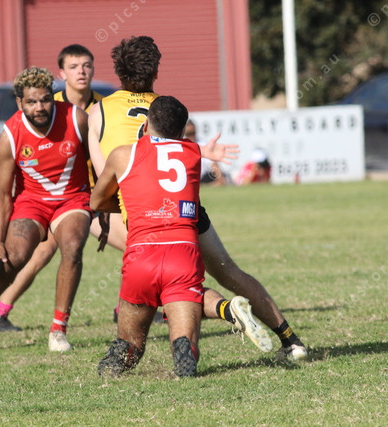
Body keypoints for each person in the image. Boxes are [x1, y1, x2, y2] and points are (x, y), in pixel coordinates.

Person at [88, 35, 307, 362]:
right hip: (185, 209)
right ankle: (291, 341)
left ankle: (214, 314)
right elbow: (180, 153)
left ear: (117, 71)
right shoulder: (166, 107)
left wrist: (105, 215)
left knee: (157, 281)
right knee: (229, 272)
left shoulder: (97, 113)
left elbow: (104, 179)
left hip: (143, 215)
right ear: (156, 72)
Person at [0, 45, 125, 333]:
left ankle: (121, 308)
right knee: (29, 254)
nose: (81, 71)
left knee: (108, 245)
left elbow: (111, 151)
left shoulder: (100, 109)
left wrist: (106, 201)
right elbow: (9, 154)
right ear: (62, 74)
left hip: (85, 196)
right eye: (74, 66)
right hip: (41, 199)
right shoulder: (42, 106)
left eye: (86, 65)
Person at [92, 96, 271, 377]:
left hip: (142, 253)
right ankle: (192, 341)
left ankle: (122, 356)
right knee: (186, 338)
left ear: (146, 124)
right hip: (183, 253)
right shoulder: (192, 152)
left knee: (129, 347)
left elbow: (96, 201)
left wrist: (134, 204)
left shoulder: (122, 154)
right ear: (182, 131)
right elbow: (185, 150)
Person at [0, 67, 92, 352]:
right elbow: (2, 194)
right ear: (20, 103)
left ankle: (58, 331)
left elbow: (100, 163)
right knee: (12, 258)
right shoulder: (11, 134)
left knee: (72, 246)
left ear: (52, 97)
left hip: (72, 199)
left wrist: (106, 205)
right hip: (32, 201)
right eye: (32, 101)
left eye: (45, 100)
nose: (40, 107)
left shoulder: (77, 119)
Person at [185, 120, 228, 186]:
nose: (191, 137)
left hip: (204, 176)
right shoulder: (182, 145)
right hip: (188, 176)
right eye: (189, 134)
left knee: (213, 174)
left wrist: (220, 178)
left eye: (193, 133)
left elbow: (213, 163)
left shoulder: (202, 143)